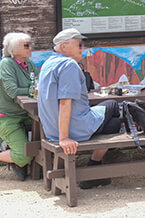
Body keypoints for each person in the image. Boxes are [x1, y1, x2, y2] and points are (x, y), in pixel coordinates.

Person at [38, 28, 123, 190]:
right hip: (72, 130)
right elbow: (65, 102)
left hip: (51, 130)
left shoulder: (48, 63)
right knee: (112, 106)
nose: (82, 48)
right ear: (63, 47)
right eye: (79, 45)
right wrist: (64, 139)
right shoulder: (69, 64)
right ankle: (94, 165)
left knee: (112, 125)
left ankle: (95, 169)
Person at [0, 32, 38, 182]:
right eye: (26, 45)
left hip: (26, 115)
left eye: (30, 44)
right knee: (24, 155)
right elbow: (13, 91)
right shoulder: (7, 64)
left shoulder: (29, 64)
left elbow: (38, 83)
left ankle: (16, 157)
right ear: (13, 50)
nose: (31, 47)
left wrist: (37, 89)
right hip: (6, 118)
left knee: (48, 133)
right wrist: (34, 91)